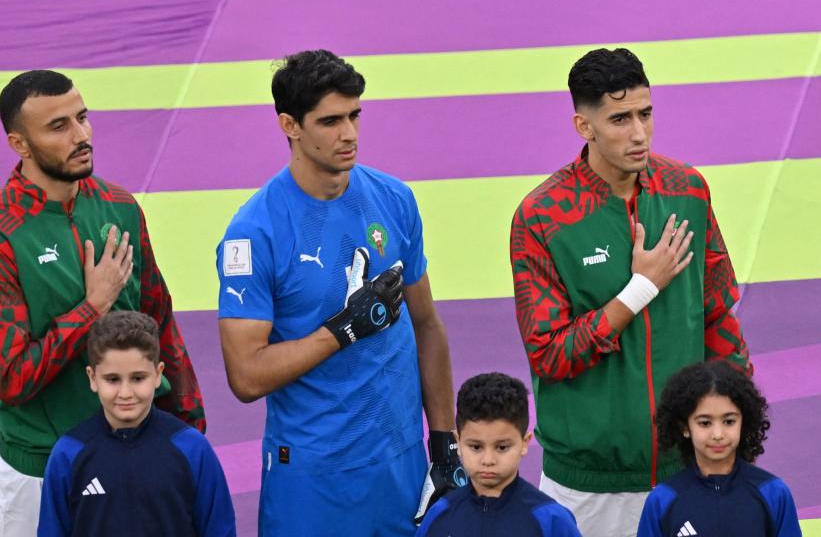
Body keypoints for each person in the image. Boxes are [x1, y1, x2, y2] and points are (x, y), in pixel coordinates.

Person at [508, 48, 752, 537]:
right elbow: (551, 355)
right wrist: (640, 289)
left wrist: (737, 426)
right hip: (592, 484)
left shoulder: (688, 190)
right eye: (620, 119)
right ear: (584, 126)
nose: (638, 133)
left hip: (689, 466)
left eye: (645, 113)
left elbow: (716, 316)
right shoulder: (542, 217)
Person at [215, 49, 459, 536]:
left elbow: (427, 324)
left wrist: (445, 441)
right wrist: (343, 330)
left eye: (354, 115)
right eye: (329, 121)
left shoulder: (394, 199)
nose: (348, 134)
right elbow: (245, 376)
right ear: (290, 125)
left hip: (402, 462)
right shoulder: (255, 233)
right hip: (312, 477)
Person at [0, 70, 205, 536]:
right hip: (43, 466)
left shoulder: (119, 206)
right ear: (19, 144)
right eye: (58, 126)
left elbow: (160, 323)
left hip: (139, 449)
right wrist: (93, 307)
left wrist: (190, 428)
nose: (81, 135)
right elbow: (12, 378)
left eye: (83, 118)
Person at [38, 312, 235, 537]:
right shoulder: (68, 454)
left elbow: (220, 530)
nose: (125, 393)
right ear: (93, 378)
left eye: (138, 378)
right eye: (112, 379)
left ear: (158, 374)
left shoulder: (192, 449)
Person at [638, 360, 801, 536]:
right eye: (705, 423)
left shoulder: (773, 493)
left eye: (729, 421)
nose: (717, 434)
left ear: (743, 422)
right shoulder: (662, 501)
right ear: (685, 427)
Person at [415, 372, 581, 537]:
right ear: (458, 442)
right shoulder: (441, 514)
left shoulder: (551, 520)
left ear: (525, 442)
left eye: (501, 447)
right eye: (476, 447)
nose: (488, 460)